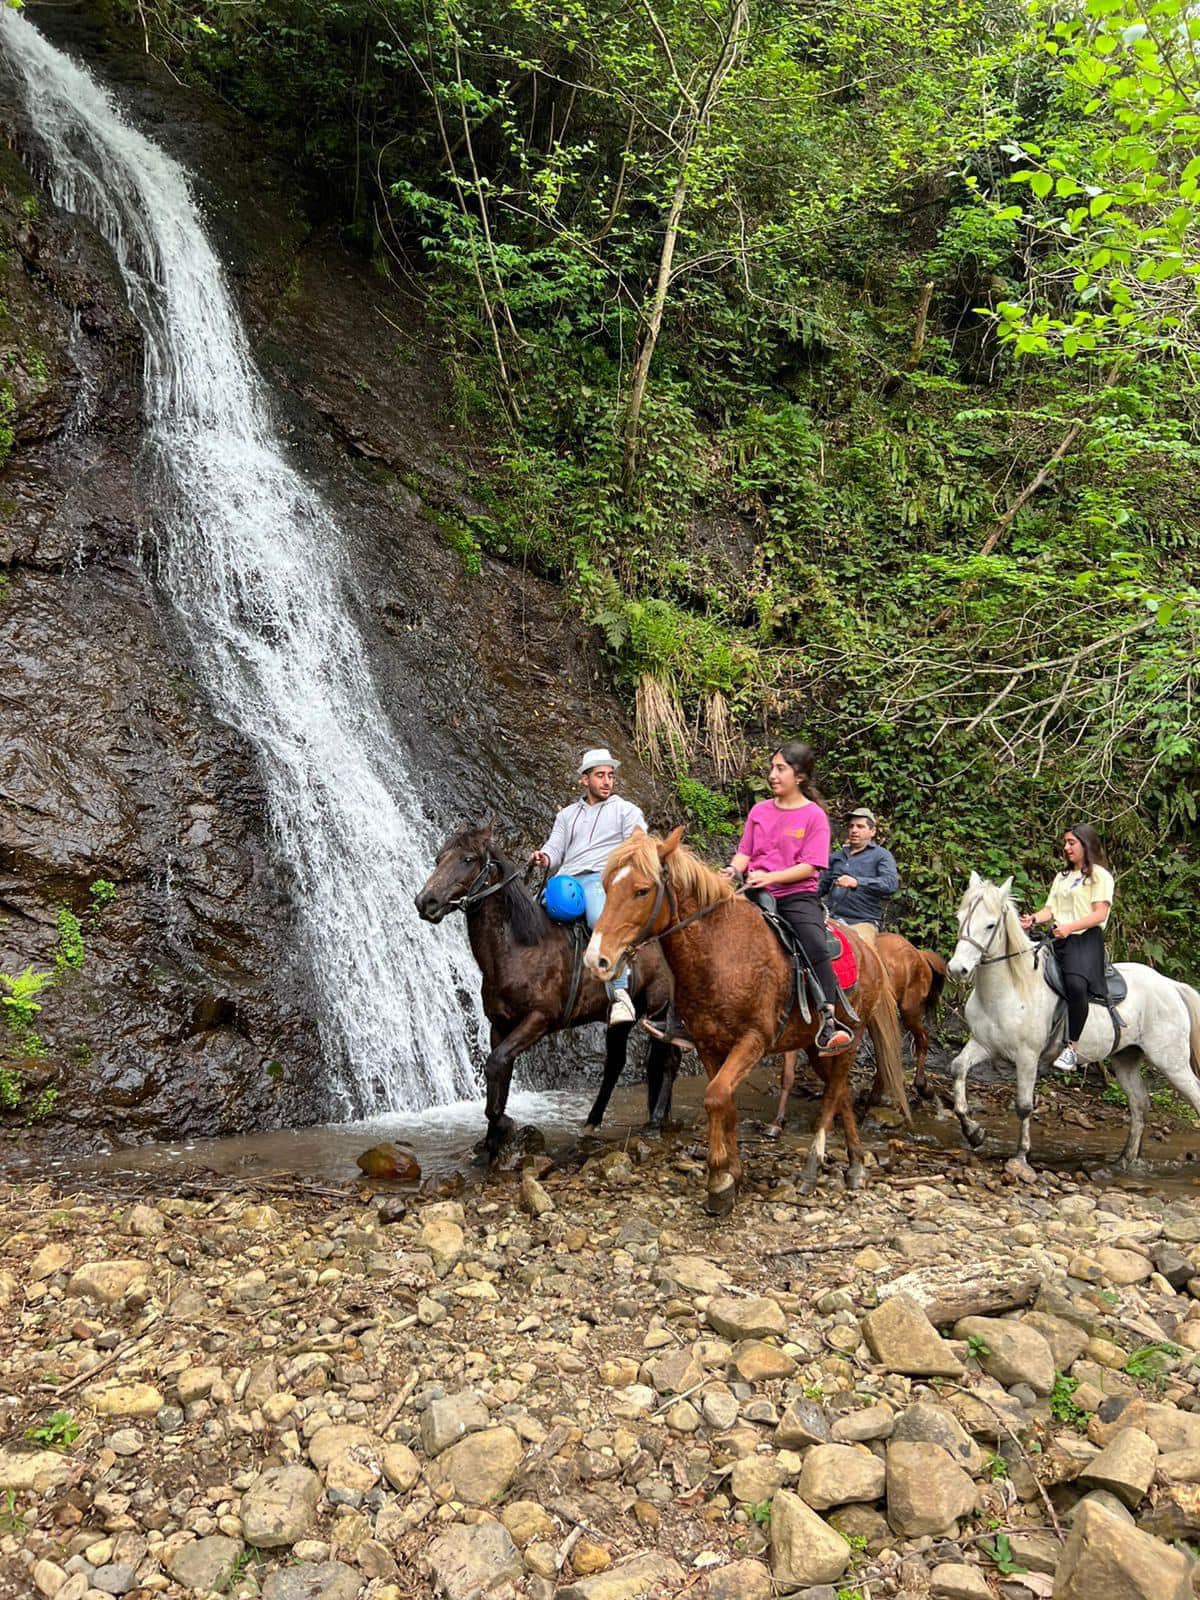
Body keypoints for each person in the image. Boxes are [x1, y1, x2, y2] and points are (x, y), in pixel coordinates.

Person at [722, 742, 852, 1055]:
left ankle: (829, 1018)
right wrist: (730, 871)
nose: (772, 775)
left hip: (795, 895)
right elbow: (745, 852)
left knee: (815, 943)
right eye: (772, 768)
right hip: (754, 891)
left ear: (801, 777)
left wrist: (772, 877)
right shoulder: (759, 811)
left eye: (781, 769)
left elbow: (811, 865)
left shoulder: (814, 816)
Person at [530, 746, 646, 1026]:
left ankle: (620, 993)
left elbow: (639, 840)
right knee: (532, 917)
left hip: (599, 878)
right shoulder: (567, 815)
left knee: (599, 919)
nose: (607, 781)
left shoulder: (625, 811)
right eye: (600, 775)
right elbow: (555, 848)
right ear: (585, 780)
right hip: (565, 879)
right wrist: (543, 857)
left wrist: (637, 843)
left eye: (610, 775)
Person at [1019, 823, 1115, 1073]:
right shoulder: (1062, 877)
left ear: (1086, 844)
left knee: (1075, 985)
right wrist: (1033, 919)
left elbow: (1099, 914)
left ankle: (1072, 1048)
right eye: (1065, 843)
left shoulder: (1100, 876)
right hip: (1058, 936)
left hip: (1084, 939)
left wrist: (1070, 927)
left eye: (1071, 843)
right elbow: (1050, 910)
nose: (1066, 847)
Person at [819, 808, 899, 946]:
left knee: (864, 956)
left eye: (860, 826)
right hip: (831, 919)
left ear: (872, 831)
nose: (854, 830)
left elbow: (890, 884)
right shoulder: (836, 857)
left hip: (862, 922)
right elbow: (820, 887)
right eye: (851, 826)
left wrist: (857, 882)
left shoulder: (881, 855)